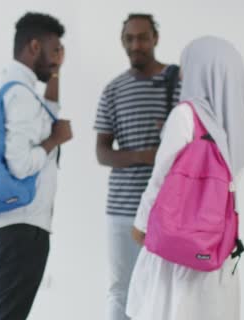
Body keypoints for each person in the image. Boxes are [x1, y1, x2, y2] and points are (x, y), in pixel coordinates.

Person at [126, 36, 244, 320]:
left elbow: (159, 179)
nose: (182, 73)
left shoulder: (186, 115)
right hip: (217, 244)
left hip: (177, 241)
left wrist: (140, 225)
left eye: (187, 64)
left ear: (203, 70)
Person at [0, 12, 72, 320]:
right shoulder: (21, 96)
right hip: (21, 226)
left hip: (5, 221)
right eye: (54, 49)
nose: (57, 56)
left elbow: (47, 115)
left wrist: (55, 72)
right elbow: (20, 165)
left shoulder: (10, 86)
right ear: (34, 46)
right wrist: (54, 140)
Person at [94, 13, 180, 320]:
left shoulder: (178, 80)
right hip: (120, 209)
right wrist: (142, 156)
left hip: (168, 209)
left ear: (155, 38)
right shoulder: (113, 90)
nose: (136, 45)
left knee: (166, 291)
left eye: (143, 37)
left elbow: (198, 142)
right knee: (121, 289)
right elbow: (102, 153)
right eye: (129, 39)